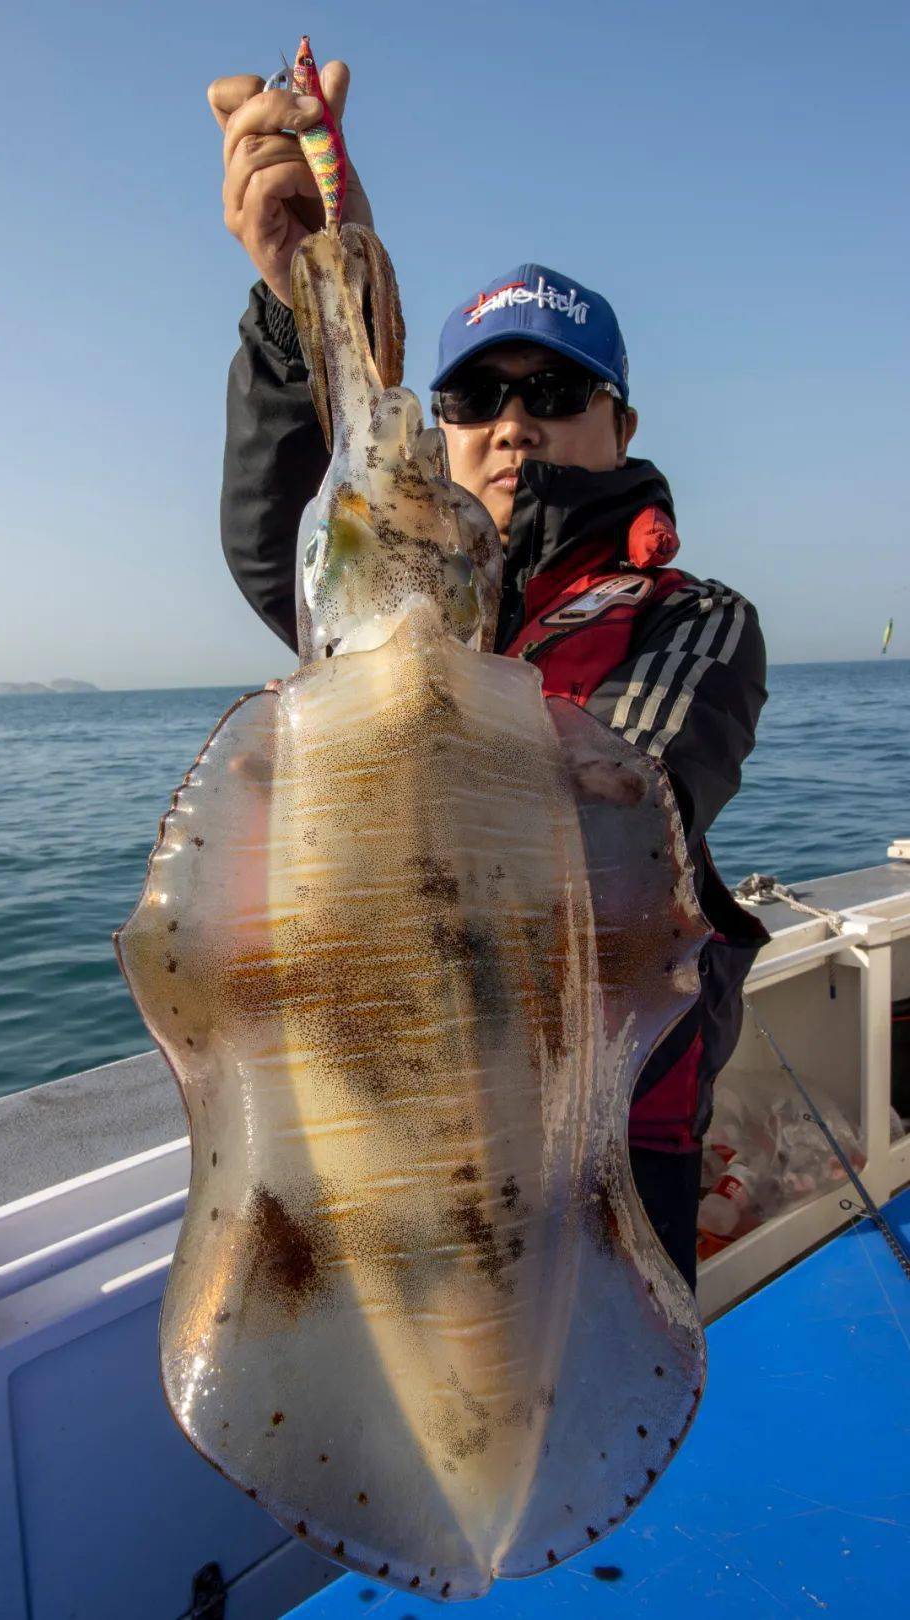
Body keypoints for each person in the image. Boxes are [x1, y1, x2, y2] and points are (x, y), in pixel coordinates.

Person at [207, 62, 768, 1291]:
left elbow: (625, 793)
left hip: (604, 1135)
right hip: (392, 1100)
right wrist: (299, 315)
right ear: (445, 427)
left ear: (622, 428)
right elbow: (282, 551)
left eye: (558, 393)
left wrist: (427, 604)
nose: (513, 425)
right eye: (474, 395)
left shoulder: (698, 622)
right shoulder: (391, 594)